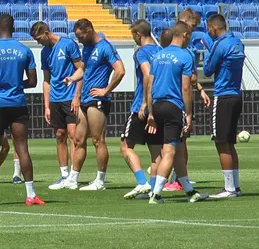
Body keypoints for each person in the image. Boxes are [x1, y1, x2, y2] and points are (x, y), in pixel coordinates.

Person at [0, 14, 44, 207]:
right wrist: (16, 85)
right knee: (22, 148)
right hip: (17, 103)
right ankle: (31, 195)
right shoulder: (24, 50)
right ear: (13, 28)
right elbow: (33, 81)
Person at [58, 19, 125, 191]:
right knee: (78, 140)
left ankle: (100, 180)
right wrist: (72, 79)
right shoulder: (87, 48)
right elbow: (83, 69)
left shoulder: (105, 47)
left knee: (97, 140)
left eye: (80, 36)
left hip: (97, 100)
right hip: (85, 100)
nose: (79, 40)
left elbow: (120, 71)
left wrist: (106, 90)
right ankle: (72, 179)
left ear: (88, 31)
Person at [145, 23, 208, 204]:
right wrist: (188, 113)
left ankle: (190, 192)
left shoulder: (158, 55)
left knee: (178, 150)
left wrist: (150, 113)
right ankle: (156, 194)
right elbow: (186, 87)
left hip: (157, 105)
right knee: (170, 152)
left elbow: (149, 85)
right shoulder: (185, 55)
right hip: (174, 107)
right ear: (185, 35)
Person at [29, 22, 85, 189]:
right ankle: (64, 175)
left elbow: (81, 70)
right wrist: (46, 106)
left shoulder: (68, 44)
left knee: (74, 135)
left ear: (46, 33)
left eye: (39, 38)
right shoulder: (44, 52)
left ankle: (73, 177)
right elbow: (46, 80)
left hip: (70, 97)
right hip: (55, 99)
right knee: (60, 135)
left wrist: (77, 96)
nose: (38, 42)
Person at [204, 14, 245, 199]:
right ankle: (235, 186)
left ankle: (229, 189)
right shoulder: (237, 42)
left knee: (221, 142)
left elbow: (208, 70)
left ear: (213, 28)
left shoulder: (219, 44)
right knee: (230, 142)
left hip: (222, 95)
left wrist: (208, 49)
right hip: (236, 94)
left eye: (209, 29)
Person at [120, 20, 162, 199]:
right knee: (156, 150)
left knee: (125, 146)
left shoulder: (141, 53)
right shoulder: (161, 51)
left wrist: (145, 102)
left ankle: (142, 182)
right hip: (160, 104)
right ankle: (152, 189)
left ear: (138, 34)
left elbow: (147, 74)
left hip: (142, 105)